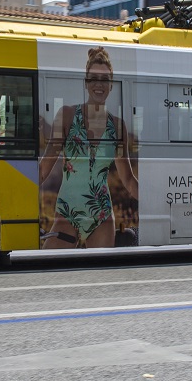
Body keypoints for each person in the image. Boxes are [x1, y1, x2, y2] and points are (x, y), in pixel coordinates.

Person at [39, 47, 138, 248]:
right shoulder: (66, 116)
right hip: (68, 212)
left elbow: (127, 179)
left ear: (111, 85)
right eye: (93, 78)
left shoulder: (118, 127)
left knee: (99, 275)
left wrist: (159, 200)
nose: (98, 85)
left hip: (101, 214)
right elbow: (43, 170)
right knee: (48, 270)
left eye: (104, 79)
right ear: (86, 83)